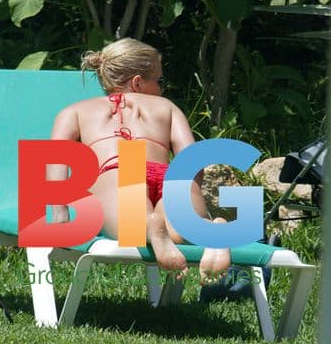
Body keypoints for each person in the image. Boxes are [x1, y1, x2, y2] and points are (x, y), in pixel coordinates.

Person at [49, 37, 230, 282]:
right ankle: (212, 230)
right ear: (137, 82)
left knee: (132, 227)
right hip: (170, 175)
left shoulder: (76, 111)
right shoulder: (167, 107)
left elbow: (57, 161)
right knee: (181, 232)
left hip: (121, 169)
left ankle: (150, 227)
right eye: (160, 81)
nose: (162, 89)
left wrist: (60, 214)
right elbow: (191, 160)